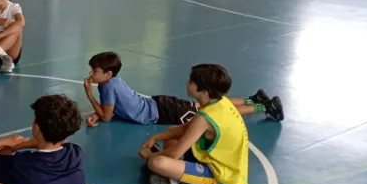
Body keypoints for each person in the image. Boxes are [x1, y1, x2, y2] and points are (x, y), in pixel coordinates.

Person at [84, 52, 283, 127]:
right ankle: (252, 99)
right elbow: (113, 108)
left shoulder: (106, 87)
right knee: (210, 105)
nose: (91, 73)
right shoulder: (114, 82)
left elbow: (107, 116)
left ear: (108, 74)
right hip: (160, 103)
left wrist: (89, 95)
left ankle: (264, 107)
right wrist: (96, 113)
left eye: (95, 71)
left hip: (162, 112)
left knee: (215, 113)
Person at [138, 64, 249, 184]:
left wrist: (149, 156)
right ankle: (174, 172)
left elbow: (175, 154)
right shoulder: (220, 101)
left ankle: (173, 179)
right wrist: (155, 137)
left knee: (156, 163)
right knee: (172, 134)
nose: (187, 83)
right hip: (219, 163)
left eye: (191, 82)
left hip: (222, 179)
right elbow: (185, 128)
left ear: (204, 91)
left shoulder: (205, 118)